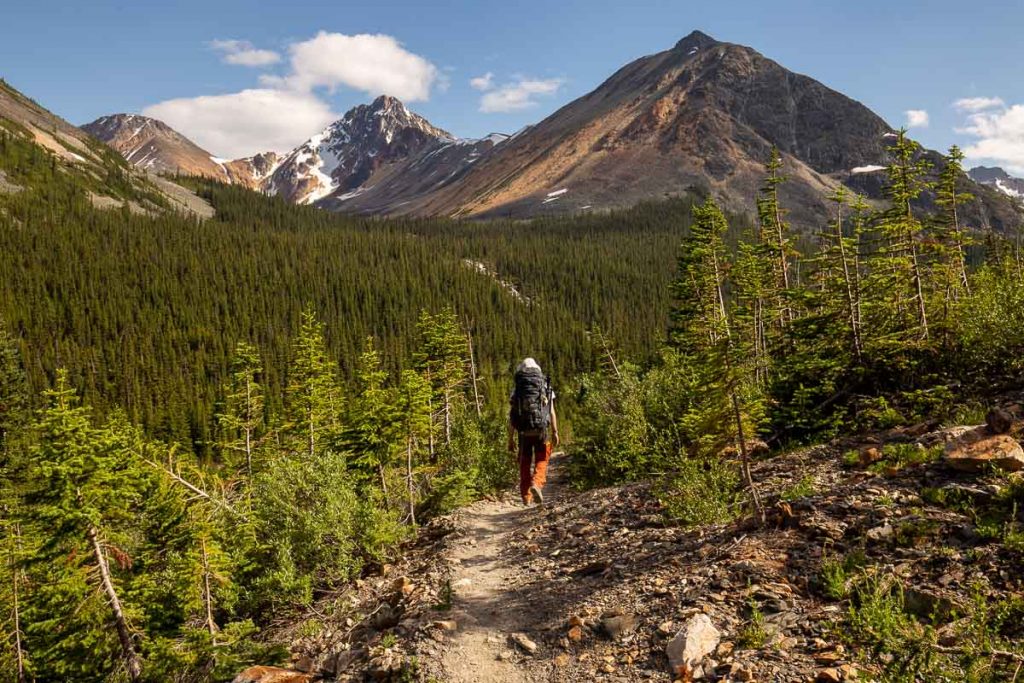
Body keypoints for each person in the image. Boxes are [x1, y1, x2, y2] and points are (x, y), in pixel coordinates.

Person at [507, 357, 559, 506]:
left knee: (524, 463)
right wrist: (555, 431)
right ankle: (537, 484)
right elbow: (551, 412)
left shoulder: (517, 390)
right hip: (541, 431)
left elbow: (512, 416)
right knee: (542, 460)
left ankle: (526, 496)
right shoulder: (545, 387)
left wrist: (510, 439)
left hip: (523, 433)